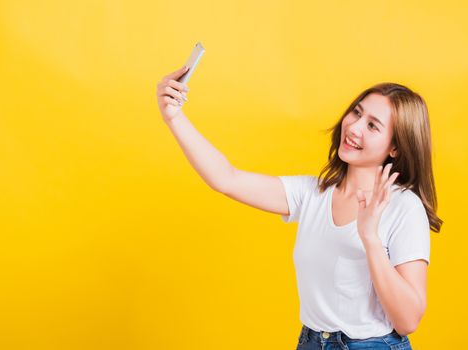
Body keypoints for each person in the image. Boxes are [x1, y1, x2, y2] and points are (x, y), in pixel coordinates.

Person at [156, 66, 443, 350]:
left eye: (372, 125)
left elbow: (407, 321)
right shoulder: (313, 194)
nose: (354, 127)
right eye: (356, 112)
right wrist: (174, 117)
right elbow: (226, 179)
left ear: (395, 148)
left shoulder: (404, 207)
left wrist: (370, 238)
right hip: (312, 341)